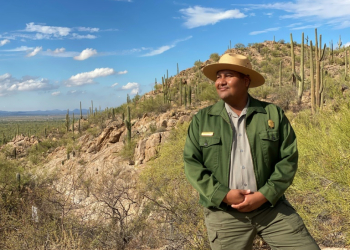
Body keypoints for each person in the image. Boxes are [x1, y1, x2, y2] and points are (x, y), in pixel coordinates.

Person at [183, 53, 320, 250]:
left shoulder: (272, 114)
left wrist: (265, 194)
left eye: (228, 75)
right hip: (225, 212)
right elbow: (192, 163)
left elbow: (288, 159)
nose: (221, 82)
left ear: (246, 80)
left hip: (270, 208)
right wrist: (223, 194)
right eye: (218, 76)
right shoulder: (202, 119)